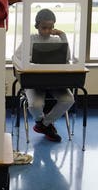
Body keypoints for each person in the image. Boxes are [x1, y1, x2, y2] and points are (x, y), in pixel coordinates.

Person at [13, 9, 75, 142]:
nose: (47, 31)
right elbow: (16, 57)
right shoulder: (30, 39)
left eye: (50, 27)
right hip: (34, 82)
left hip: (54, 81)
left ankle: (44, 124)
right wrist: (33, 58)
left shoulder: (56, 40)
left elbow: (67, 57)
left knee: (69, 100)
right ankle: (44, 125)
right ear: (37, 26)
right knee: (35, 105)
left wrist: (63, 35)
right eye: (43, 28)